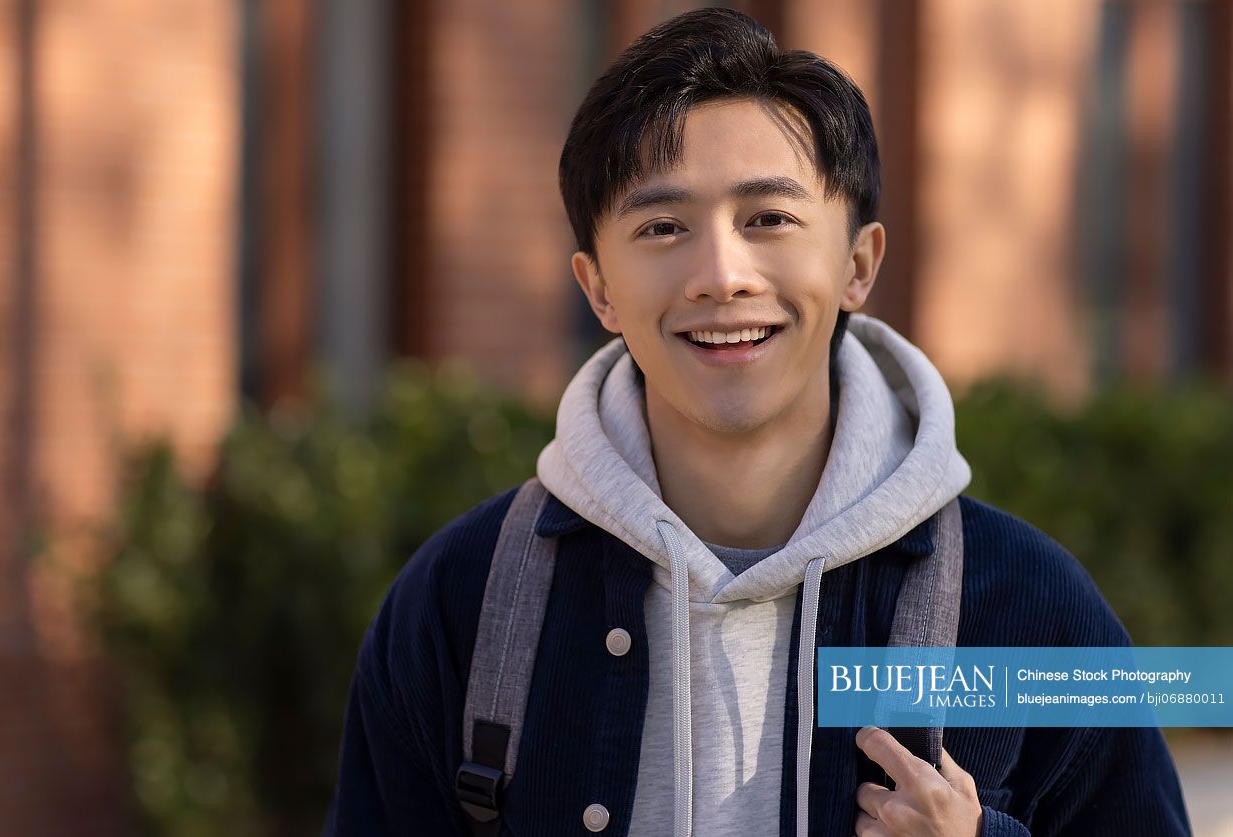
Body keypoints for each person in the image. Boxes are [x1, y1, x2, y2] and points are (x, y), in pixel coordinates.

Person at [323, 8, 1191, 836]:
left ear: (857, 264)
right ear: (598, 289)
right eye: (662, 226)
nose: (721, 274)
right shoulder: (464, 602)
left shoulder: (1027, 610)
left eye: (767, 218)